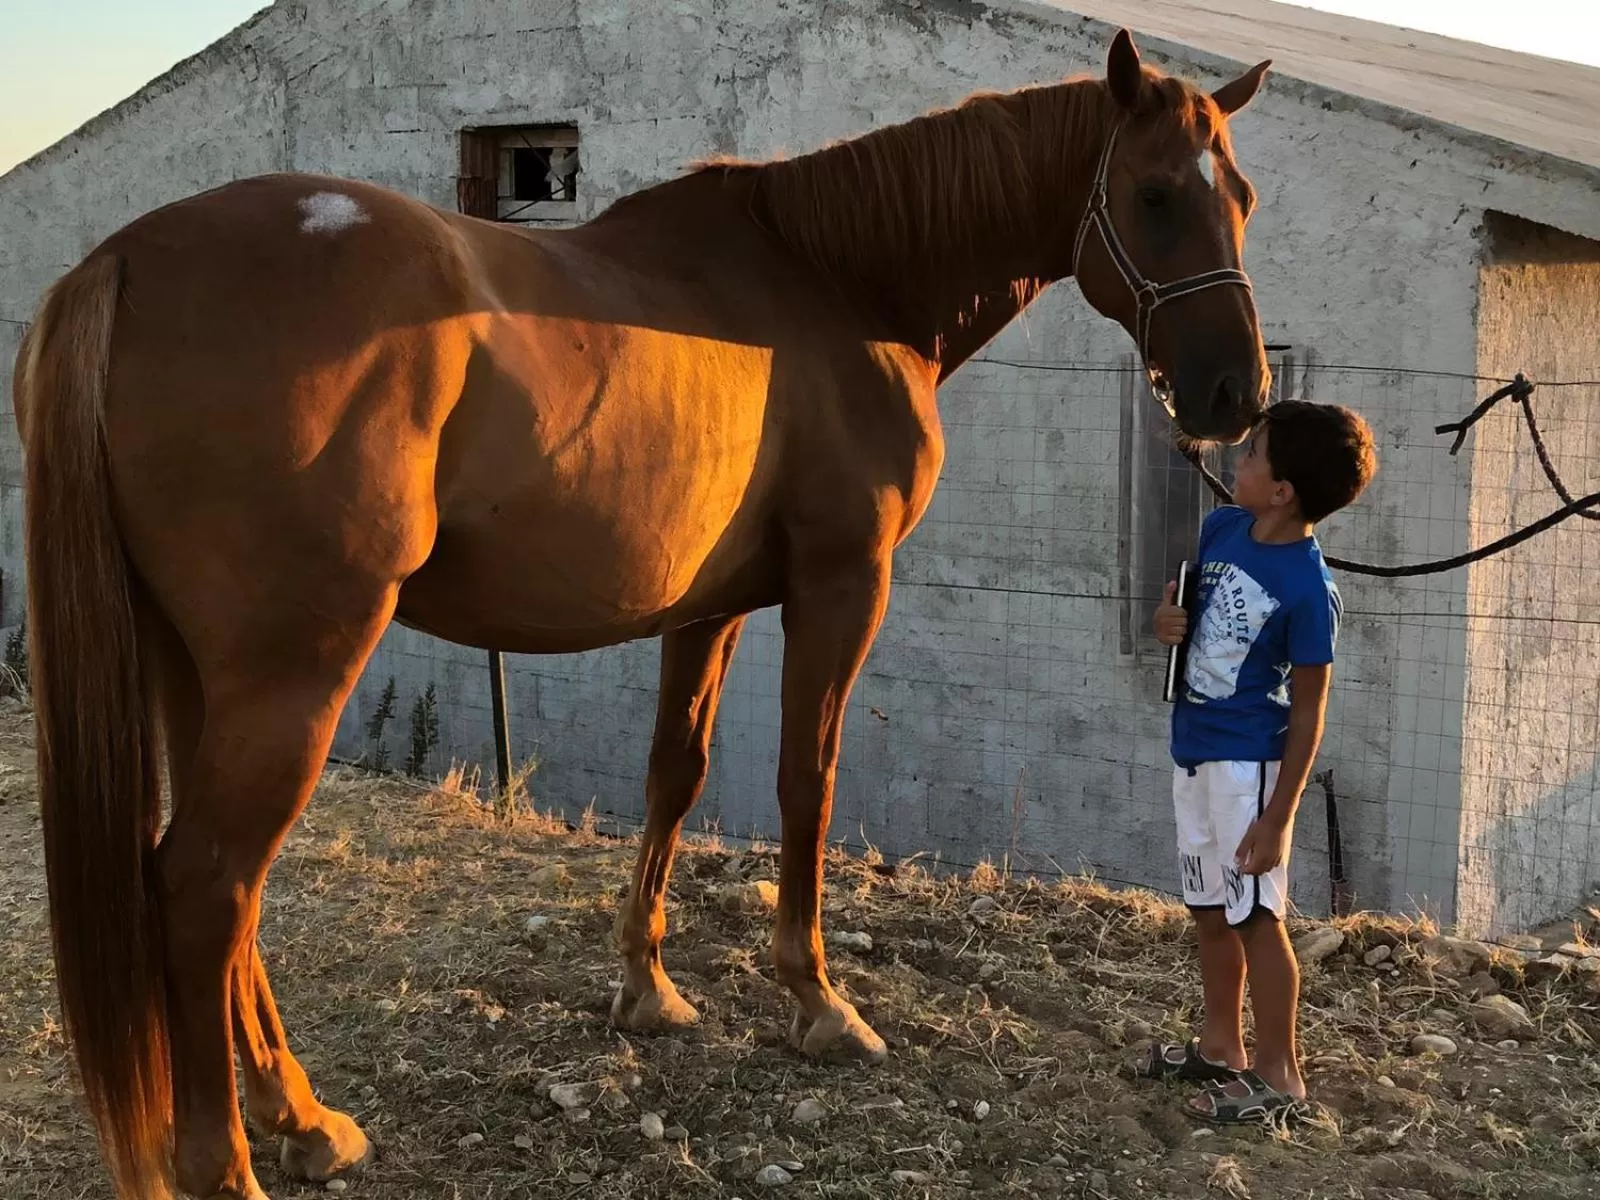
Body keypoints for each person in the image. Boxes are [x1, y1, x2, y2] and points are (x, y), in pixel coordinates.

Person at [1138, 400, 1377, 1124]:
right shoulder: (1222, 529)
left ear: (1282, 492)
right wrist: (1164, 619)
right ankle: (1222, 1046)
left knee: (1257, 918)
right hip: (1196, 752)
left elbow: (1308, 712)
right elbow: (1180, 610)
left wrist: (1280, 816)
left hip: (1252, 770)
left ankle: (1281, 1075)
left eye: (1251, 456)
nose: (1235, 462)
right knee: (1209, 908)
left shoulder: (1310, 590)